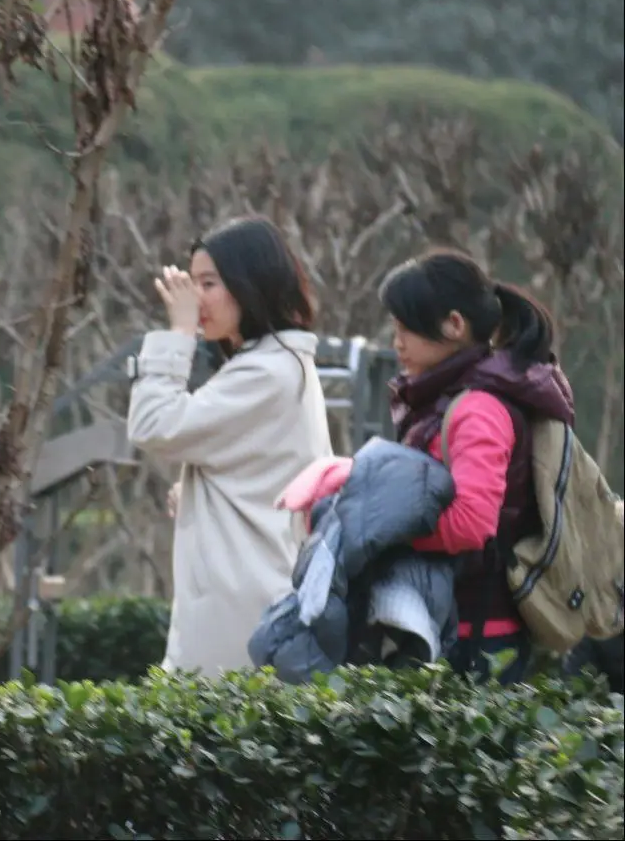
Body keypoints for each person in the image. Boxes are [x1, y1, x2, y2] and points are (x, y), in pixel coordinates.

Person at [127, 215, 332, 677]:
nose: (196, 298)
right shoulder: (274, 363)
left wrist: (178, 335)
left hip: (242, 609)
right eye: (192, 282)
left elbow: (153, 424)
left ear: (249, 282)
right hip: (246, 599)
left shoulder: (268, 372)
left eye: (209, 282)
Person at [379, 249, 575, 684]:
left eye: (406, 327)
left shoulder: (478, 408)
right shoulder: (449, 396)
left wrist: (382, 529)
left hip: (476, 634)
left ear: (454, 324)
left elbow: (471, 523)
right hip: (455, 619)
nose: (397, 342)